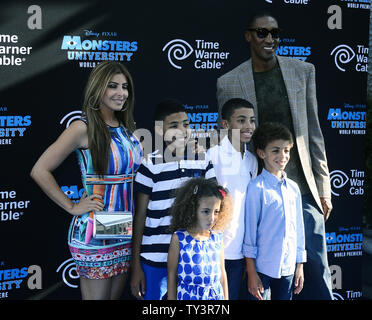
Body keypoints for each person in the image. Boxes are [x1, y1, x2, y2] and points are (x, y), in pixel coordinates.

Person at [216, 11, 333, 299]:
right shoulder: (228, 82)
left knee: (314, 268)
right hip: (256, 190)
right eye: (262, 33)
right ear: (248, 36)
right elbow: (229, 140)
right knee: (260, 277)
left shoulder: (303, 72)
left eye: (275, 33)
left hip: (302, 188)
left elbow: (313, 134)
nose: (270, 39)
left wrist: (324, 188)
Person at [30, 61, 142, 300]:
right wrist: (72, 206)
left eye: (124, 86)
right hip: (95, 228)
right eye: (112, 86)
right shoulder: (83, 127)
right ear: (98, 88)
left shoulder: (125, 128)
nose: (121, 93)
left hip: (122, 225)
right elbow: (40, 170)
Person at [130, 99, 216, 300]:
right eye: (174, 126)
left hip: (191, 258)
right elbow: (141, 214)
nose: (183, 131)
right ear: (159, 130)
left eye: (186, 124)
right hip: (154, 258)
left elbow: (215, 205)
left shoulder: (202, 160)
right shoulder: (150, 163)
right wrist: (136, 265)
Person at [243, 122, 306, 300]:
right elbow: (250, 234)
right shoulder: (256, 188)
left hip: (288, 268)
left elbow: (299, 230)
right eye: (276, 150)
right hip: (262, 268)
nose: (283, 156)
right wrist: (251, 272)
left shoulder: (293, 188)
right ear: (262, 153)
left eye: (286, 150)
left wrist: (299, 266)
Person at [207, 98, 257, 299]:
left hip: (240, 253)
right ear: (225, 124)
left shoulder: (252, 160)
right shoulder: (213, 155)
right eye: (242, 120)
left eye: (252, 120)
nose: (248, 126)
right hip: (214, 250)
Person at [167, 178, 232, 300]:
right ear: (192, 209)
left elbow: (222, 275)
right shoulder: (179, 238)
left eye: (216, 212)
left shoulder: (217, 238)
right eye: (206, 211)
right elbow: (171, 276)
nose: (211, 218)